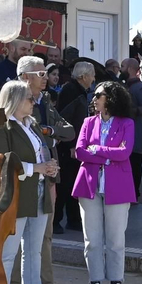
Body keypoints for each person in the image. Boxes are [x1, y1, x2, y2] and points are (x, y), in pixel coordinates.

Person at [9, 55, 74, 284]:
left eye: (46, 73)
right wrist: (49, 135)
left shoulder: (46, 101)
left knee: (43, 235)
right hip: (24, 176)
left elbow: (69, 131)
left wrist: (48, 131)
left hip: (47, 176)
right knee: (16, 236)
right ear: (25, 76)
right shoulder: (14, 100)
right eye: (41, 74)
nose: (46, 77)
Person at [0, 79, 60, 284]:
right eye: (29, 98)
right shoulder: (1, 125)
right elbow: (0, 162)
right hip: (15, 196)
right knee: (8, 253)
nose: (34, 101)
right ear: (14, 99)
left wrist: (49, 167)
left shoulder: (31, 124)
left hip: (39, 192)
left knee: (34, 251)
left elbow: (41, 153)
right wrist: (37, 168)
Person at [73, 80, 137, 284]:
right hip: (89, 185)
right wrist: (109, 155)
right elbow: (80, 152)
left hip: (118, 187)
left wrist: (98, 150)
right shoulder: (88, 122)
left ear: (110, 98)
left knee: (116, 239)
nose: (94, 98)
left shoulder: (127, 123)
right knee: (92, 239)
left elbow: (125, 152)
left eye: (98, 94)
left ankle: (117, 283)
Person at [54, 61, 96, 232]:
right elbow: (65, 119)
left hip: (77, 144)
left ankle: (74, 219)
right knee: (64, 184)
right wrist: (71, 143)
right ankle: (57, 220)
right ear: (84, 76)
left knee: (74, 183)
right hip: (69, 146)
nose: (94, 79)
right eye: (92, 75)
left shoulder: (79, 91)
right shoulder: (71, 91)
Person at [122, 57, 142, 199]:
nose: (121, 69)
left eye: (123, 66)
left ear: (131, 69)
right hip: (124, 132)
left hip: (136, 131)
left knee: (135, 163)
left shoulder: (140, 88)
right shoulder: (124, 85)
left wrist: (133, 110)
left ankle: (134, 193)